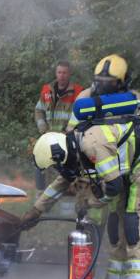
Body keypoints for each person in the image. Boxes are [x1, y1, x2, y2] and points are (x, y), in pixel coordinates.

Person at [21, 54, 140, 279]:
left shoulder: (95, 138)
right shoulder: (79, 128)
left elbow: (113, 185)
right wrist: (37, 209)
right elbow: (65, 177)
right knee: (114, 223)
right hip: (118, 162)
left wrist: (89, 200)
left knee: (134, 221)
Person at [33, 60, 83, 189]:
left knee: (67, 169)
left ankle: (69, 198)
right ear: (56, 73)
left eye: (65, 73)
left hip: (68, 137)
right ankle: (44, 194)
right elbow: (39, 109)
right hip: (49, 136)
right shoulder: (47, 90)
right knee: (45, 164)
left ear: (69, 74)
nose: (62, 75)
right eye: (59, 72)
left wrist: (70, 130)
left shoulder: (78, 92)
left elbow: (81, 113)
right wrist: (42, 127)